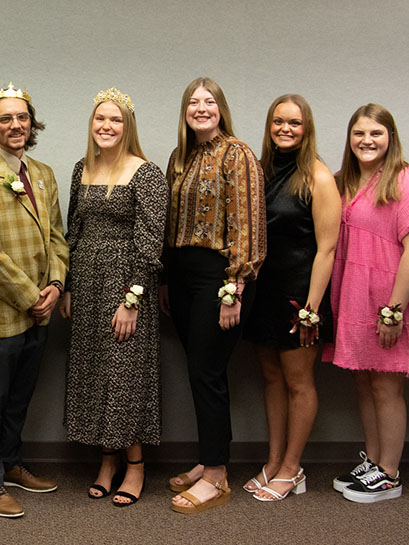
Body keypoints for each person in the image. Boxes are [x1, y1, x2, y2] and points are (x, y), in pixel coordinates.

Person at [326, 104, 409, 503]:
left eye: (376, 133)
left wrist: (393, 309)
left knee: (386, 386)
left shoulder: (406, 181)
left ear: (390, 137)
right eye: (359, 133)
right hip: (355, 295)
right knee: (365, 380)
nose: (367, 141)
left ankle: (390, 474)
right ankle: (374, 461)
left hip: (391, 298)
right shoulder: (344, 181)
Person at [0, 82, 69, 518]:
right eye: (5, 118)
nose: (15, 125)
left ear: (31, 122)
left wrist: (56, 287)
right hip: (5, 312)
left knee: (21, 395)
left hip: (42, 311)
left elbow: (58, 237)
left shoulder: (42, 174)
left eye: (22, 117)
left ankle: (9, 463)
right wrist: (31, 297)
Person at [161, 77, 266, 514]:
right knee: (205, 370)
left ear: (221, 108)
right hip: (182, 275)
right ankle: (209, 459)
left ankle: (218, 476)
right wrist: (166, 278)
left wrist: (235, 287)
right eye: (192, 102)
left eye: (209, 102)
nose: (200, 108)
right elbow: (168, 222)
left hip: (219, 277)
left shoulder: (237, 153)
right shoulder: (178, 157)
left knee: (206, 370)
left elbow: (248, 223)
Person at [58, 88, 167, 507]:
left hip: (125, 287)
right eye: (100, 119)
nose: (106, 126)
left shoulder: (146, 173)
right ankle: (106, 461)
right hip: (86, 285)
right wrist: (67, 285)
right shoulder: (80, 169)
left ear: (128, 126)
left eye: (116, 120)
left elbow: (150, 243)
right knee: (95, 372)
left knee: (126, 375)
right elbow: (74, 231)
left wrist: (132, 299)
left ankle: (135, 466)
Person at [242, 94, 340, 501]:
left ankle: (293, 468)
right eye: (278, 121)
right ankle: (273, 460)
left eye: (295, 123)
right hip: (263, 291)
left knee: (299, 382)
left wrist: (312, 309)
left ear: (307, 129)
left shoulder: (317, 176)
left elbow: (327, 249)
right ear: (269, 126)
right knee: (271, 378)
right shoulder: (260, 172)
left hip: (300, 297)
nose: (285, 129)